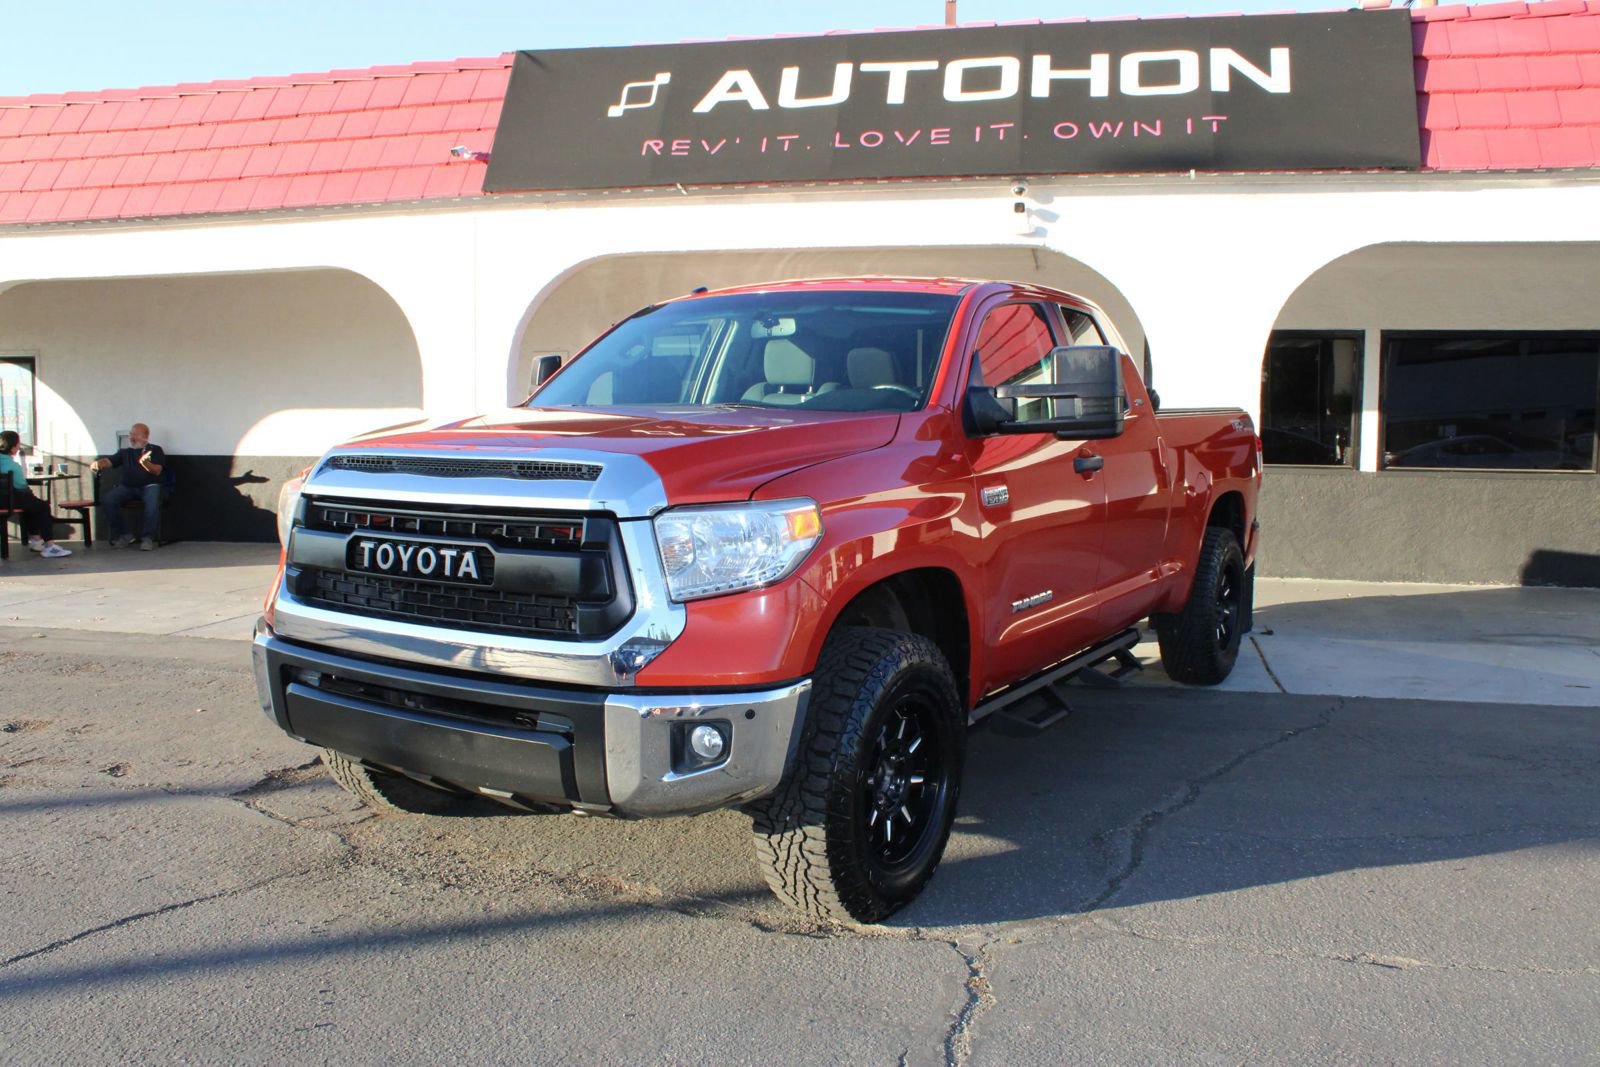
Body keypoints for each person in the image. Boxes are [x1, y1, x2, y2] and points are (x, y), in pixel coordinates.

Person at [91, 423, 167, 550]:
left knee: (152, 504)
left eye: (135, 435)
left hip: (149, 485)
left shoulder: (155, 450)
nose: (131, 437)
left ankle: (148, 538)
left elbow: (157, 471)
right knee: (108, 500)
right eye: (131, 434)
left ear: (145, 436)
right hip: (128, 486)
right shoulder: (125, 452)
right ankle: (124, 534)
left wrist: (145, 463)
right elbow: (109, 461)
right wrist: (98, 463)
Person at [1, 429, 72, 558]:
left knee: (31, 506)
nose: (19, 447)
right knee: (41, 506)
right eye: (18, 445)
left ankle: (36, 541)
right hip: (9, 500)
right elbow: (21, 485)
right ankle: (49, 546)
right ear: (12, 447)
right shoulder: (13, 465)